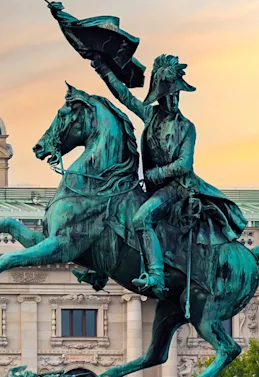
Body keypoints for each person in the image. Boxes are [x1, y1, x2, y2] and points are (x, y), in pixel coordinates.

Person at [92, 54, 246, 296]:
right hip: (154, 188)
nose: (174, 100)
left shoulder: (186, 127)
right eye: (169, 94)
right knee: (113, 211)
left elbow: (184, 164)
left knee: (141, 219)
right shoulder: (150, 115)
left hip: (179, 187)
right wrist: (102, 67)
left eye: (177, 94)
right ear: (159, 95)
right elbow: (124, 96)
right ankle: (99, 268)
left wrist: (155, 174)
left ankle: (156, 274)